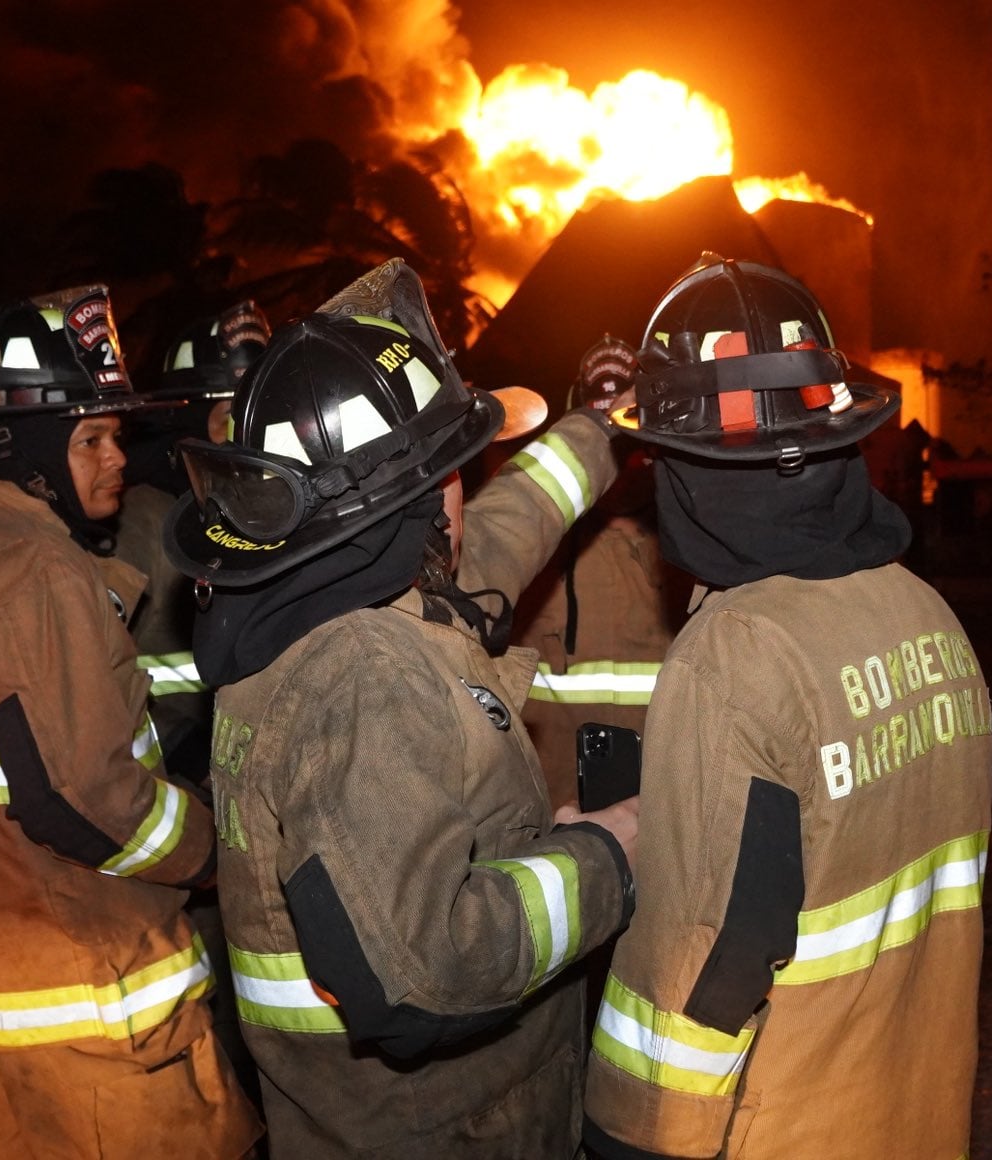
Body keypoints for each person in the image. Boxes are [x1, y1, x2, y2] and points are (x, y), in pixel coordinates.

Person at [163, 260, 639, 1158]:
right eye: (454, 468)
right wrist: (607, 855)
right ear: (412, 500)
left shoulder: (330, 593)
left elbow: (507, 527)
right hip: (440, 1132)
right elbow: (423, 976)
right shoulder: (360, 674)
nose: (467, 487)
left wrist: (600, 425)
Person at [582, 257, 992, 1159]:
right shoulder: (927, 614)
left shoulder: (733, 656)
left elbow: (706, 959)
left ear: (682, 468)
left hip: (784, 1129)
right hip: (914, 1116)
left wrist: (633, 1133)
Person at [0, 284, 260, 1159]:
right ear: (27, 449)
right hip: (96, 1021)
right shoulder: (33, 567)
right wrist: (217, 851)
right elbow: (82, 798)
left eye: (117, 436)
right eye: (90, 438)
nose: (117, 458)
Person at [114, 299, 274, 1106]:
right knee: (214, 1030)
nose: (241, 438)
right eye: (224, 415)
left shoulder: (257, 512)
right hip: (190, 814)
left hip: (256, 805)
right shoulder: (145, 523)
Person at [512, 335, 682, 808]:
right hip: (552, 823)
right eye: (603, 434)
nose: (619, 456)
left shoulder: (694, 547)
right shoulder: (533, 549)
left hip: (668, 821)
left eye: (629, 432)